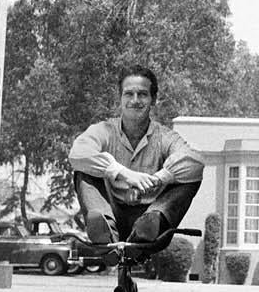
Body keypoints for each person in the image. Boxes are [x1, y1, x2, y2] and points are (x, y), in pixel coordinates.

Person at [69, 64, 203, 244]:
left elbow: (195, 160)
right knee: (83, 170)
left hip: (151, 219)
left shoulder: (165, 137)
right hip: (112, 213)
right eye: (129, 94)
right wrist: (122, 173)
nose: (135, 100)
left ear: (153, 99)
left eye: (142, 94)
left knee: (190, 177)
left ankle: (153, 221)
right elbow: (77, 153)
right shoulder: (104, 130)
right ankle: (103, 228)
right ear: (120, 98)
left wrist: (160, 178)